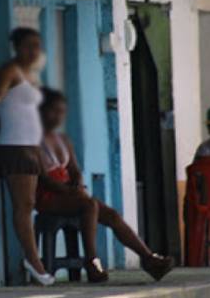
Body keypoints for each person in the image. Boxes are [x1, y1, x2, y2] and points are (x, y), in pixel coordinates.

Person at [36, 88, 175, 282]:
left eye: (62, 111)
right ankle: (92, 262)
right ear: (40, 111)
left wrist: (77, 183)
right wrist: (69, 191)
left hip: (70, 194)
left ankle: (148, 259)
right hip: (48, 196)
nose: (58, 116)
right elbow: (42, 177)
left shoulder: (63, 140)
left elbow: (74, 169)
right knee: (89, 204)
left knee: (112, 215)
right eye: (53, 111)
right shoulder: (33, 140)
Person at [0, 28, 53, 286]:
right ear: (17, 47)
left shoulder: (31, 74)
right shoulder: (10, 70)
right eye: (29, 46)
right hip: (14, 146)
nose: (34, 51)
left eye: (37, 46)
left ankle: (33, 260)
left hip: (31, 147)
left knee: (29, 204)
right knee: (23, 206)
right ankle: (33, 261)